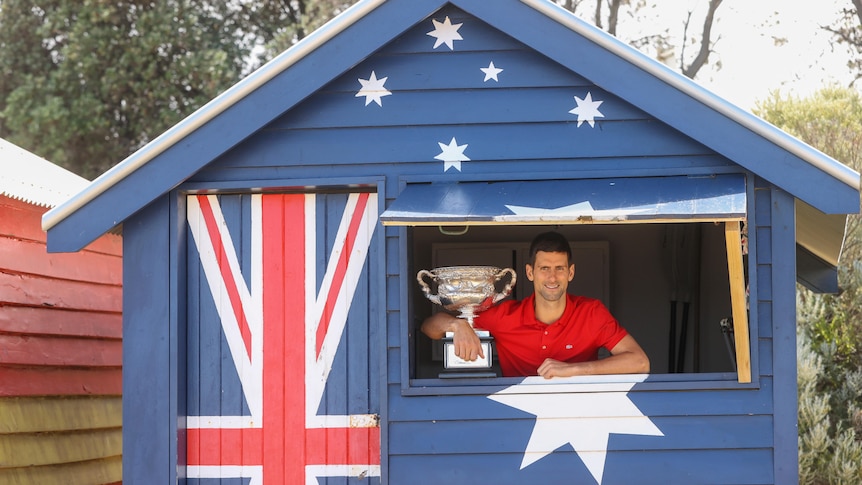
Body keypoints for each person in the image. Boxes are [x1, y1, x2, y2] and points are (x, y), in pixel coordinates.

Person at [421, 231, 649, 378]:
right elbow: (430, 327)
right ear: (530, 272)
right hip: (519, 420)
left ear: (570, 272)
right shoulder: (506, 316)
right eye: (544, 269)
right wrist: (457, 326)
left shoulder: (591, 312)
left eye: (560, 268)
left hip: (579, 414)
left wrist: (573, 370)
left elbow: (640, 362)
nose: (552, 277)